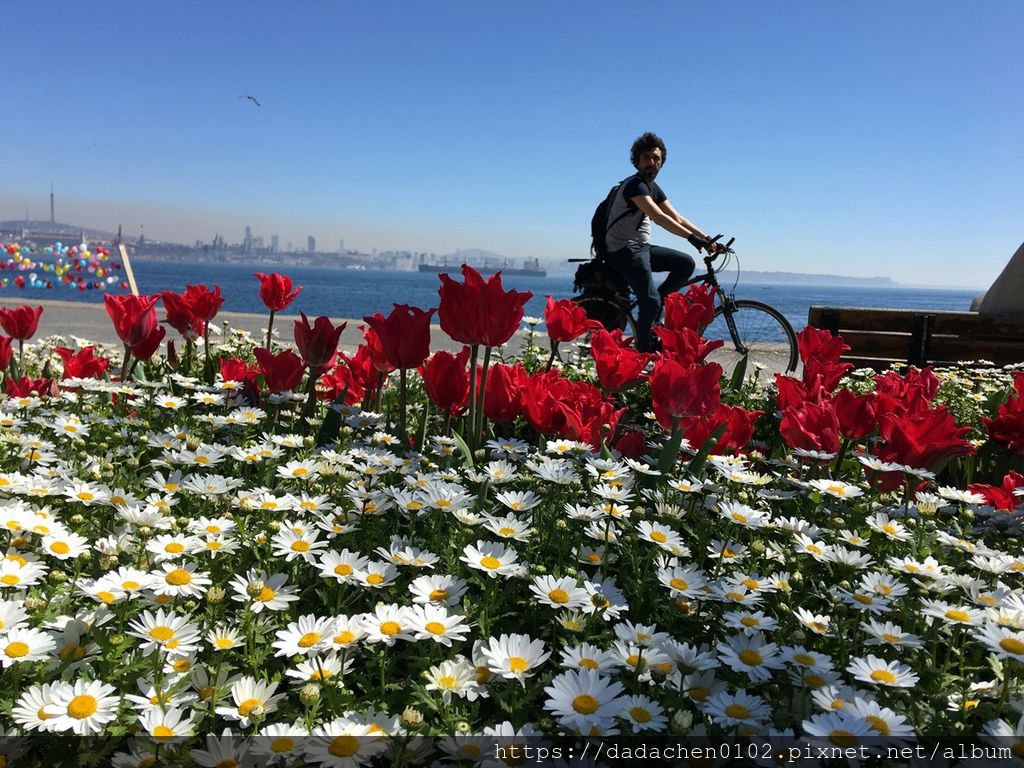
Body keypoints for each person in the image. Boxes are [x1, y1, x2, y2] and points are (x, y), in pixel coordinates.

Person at [604, 131, 723, 352]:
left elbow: (677, 217)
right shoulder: (635, 186)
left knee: (685, 263)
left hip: (641, 248)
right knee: (649, 301)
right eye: (647, 157)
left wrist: (707, 238)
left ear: (662, 162)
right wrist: (691, 239)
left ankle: (656, 302)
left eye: (656, 158)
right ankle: (644, 351)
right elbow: (660, 218)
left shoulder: (653, 188)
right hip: (622, 250)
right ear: (637, 161)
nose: (652, 162)